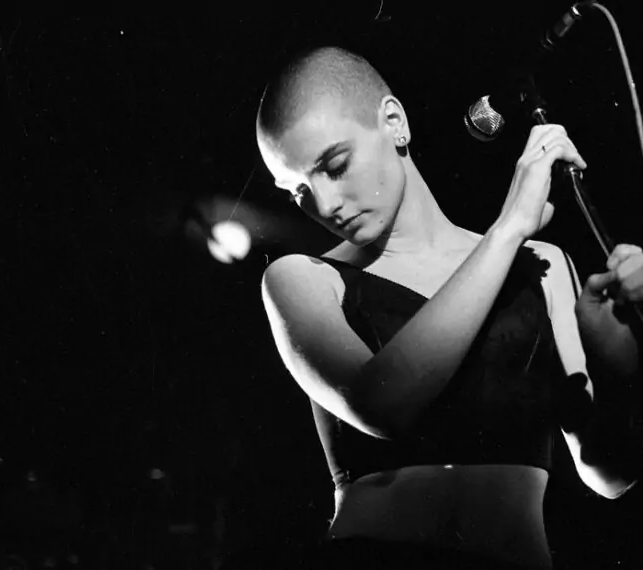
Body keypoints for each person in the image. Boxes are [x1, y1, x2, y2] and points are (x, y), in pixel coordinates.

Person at [250, 46, 643, 569]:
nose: (324, 205)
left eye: (336, 166)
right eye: (297, 191)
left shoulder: (542, 264)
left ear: (394, 123)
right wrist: (506, 230)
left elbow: (608, 475)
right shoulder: (301, 278)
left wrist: (620, 366)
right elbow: (382, 405)